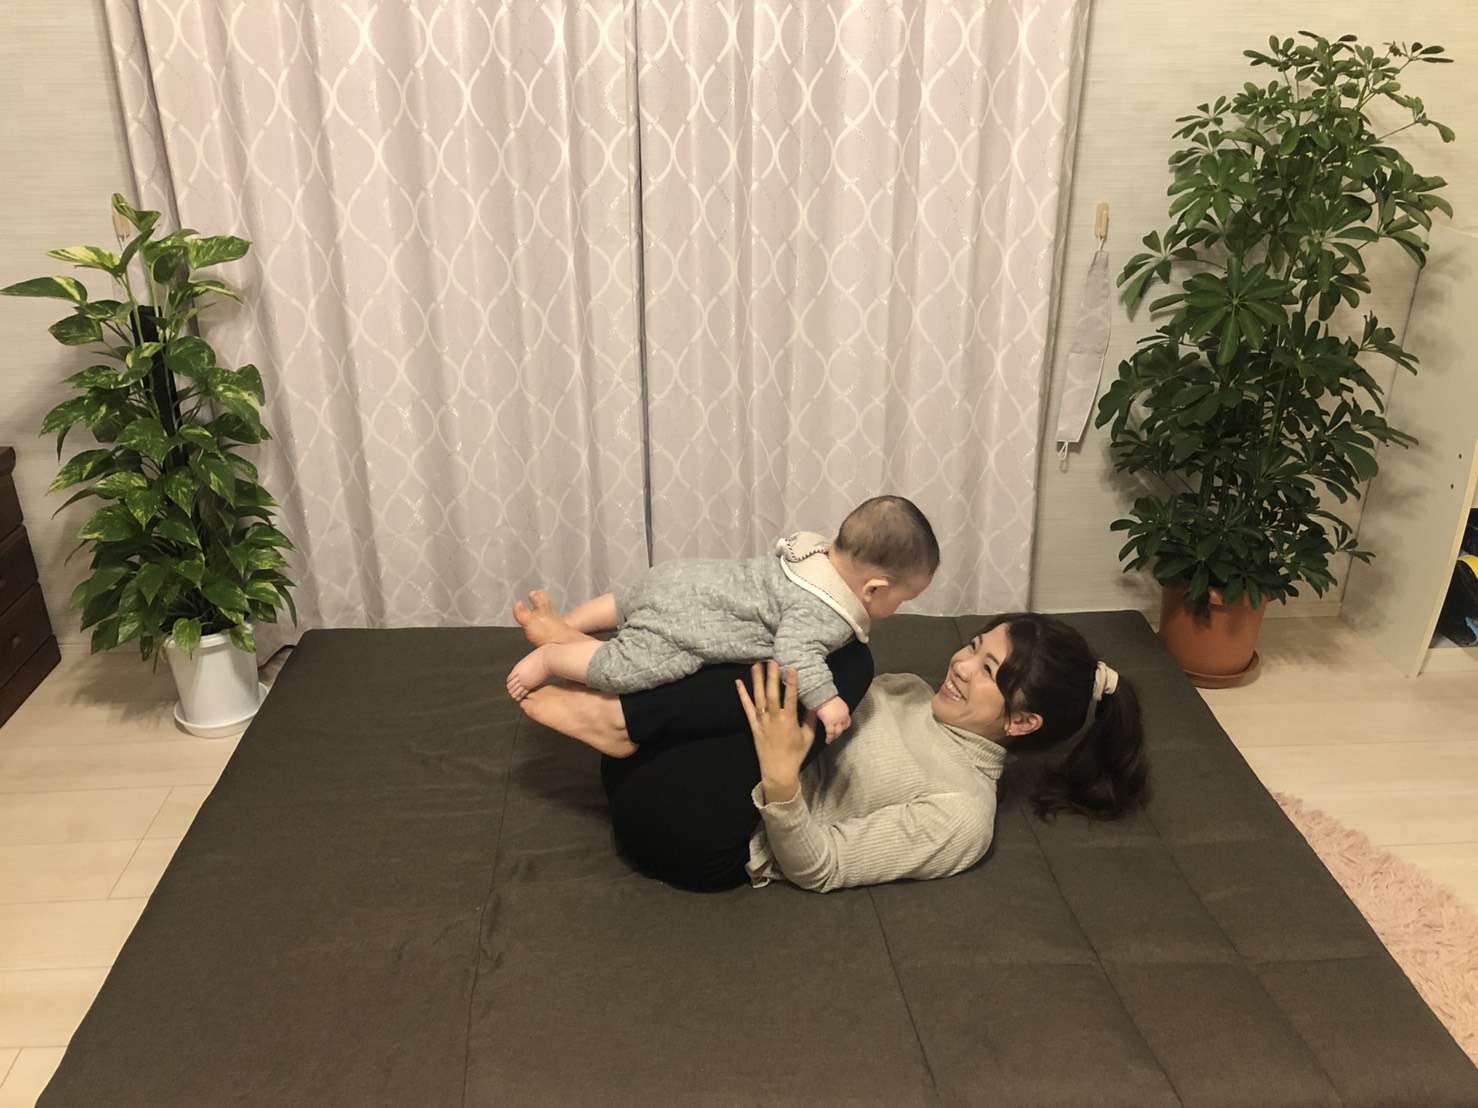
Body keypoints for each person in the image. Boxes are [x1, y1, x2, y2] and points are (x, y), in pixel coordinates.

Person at [511, 594, 1150, 893]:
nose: (959, 664)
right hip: (652, 770)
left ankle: (613, 699)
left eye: (987, 671)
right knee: (812, 641)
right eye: (974, 646)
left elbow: (821, 868)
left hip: (691, 836)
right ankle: (612, 676)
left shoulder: (963, 814)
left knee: (847, 661)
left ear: (1021, 723)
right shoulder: (911, 690)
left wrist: (781, 777)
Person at [506, 496, 939, 743]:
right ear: (873, 589)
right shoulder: (826, 613)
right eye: (903, 598)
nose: (900, 608)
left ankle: (567, 625)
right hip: (687, 625)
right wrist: (827, 701)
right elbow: (795, 654)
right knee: (620, 668)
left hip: (683, 577)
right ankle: (551, 657)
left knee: (624, 602)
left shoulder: (812, 550)